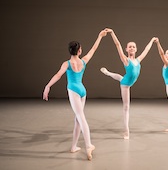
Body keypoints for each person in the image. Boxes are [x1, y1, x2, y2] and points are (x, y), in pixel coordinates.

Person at [43, 29, 107, 160]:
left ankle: (88, 145)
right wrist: (99, 36)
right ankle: (74, 146)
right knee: (78, 119)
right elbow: (93, 50)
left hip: (73, 90)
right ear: (79, 51)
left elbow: (58, 75)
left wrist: (48, 86)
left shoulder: (67, 64)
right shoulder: (83, 61)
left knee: (80, 117)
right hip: (82, 90)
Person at [100, 28, 157, 139]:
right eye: (129, 46)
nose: (131, 48)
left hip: (126, 80)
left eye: (133, 46)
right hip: (126, 85)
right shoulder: (126, 60)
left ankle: (108, 72)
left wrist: (152, 40)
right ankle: (126, 131)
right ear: (126, 49)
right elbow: (117, 45)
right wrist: (112, 33)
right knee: (126, 107)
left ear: (136, 49)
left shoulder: (138, 59)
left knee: (121, 78)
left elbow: (147, 49)